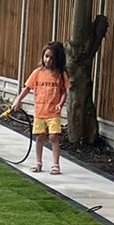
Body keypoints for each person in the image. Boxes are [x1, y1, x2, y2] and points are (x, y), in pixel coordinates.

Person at [11, 42, 70, 174]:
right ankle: (38, 162)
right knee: (40, 137)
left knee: (54, 137)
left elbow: (64, 92)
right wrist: (18, 100)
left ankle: (55, 164)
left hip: (53, 112)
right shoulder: (37, 73)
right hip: (39, 112)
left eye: (52, 58)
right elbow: (27, 88)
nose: (48, 60)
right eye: (46, 56)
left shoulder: (60, 74)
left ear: (58, 59)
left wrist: (60, 103)